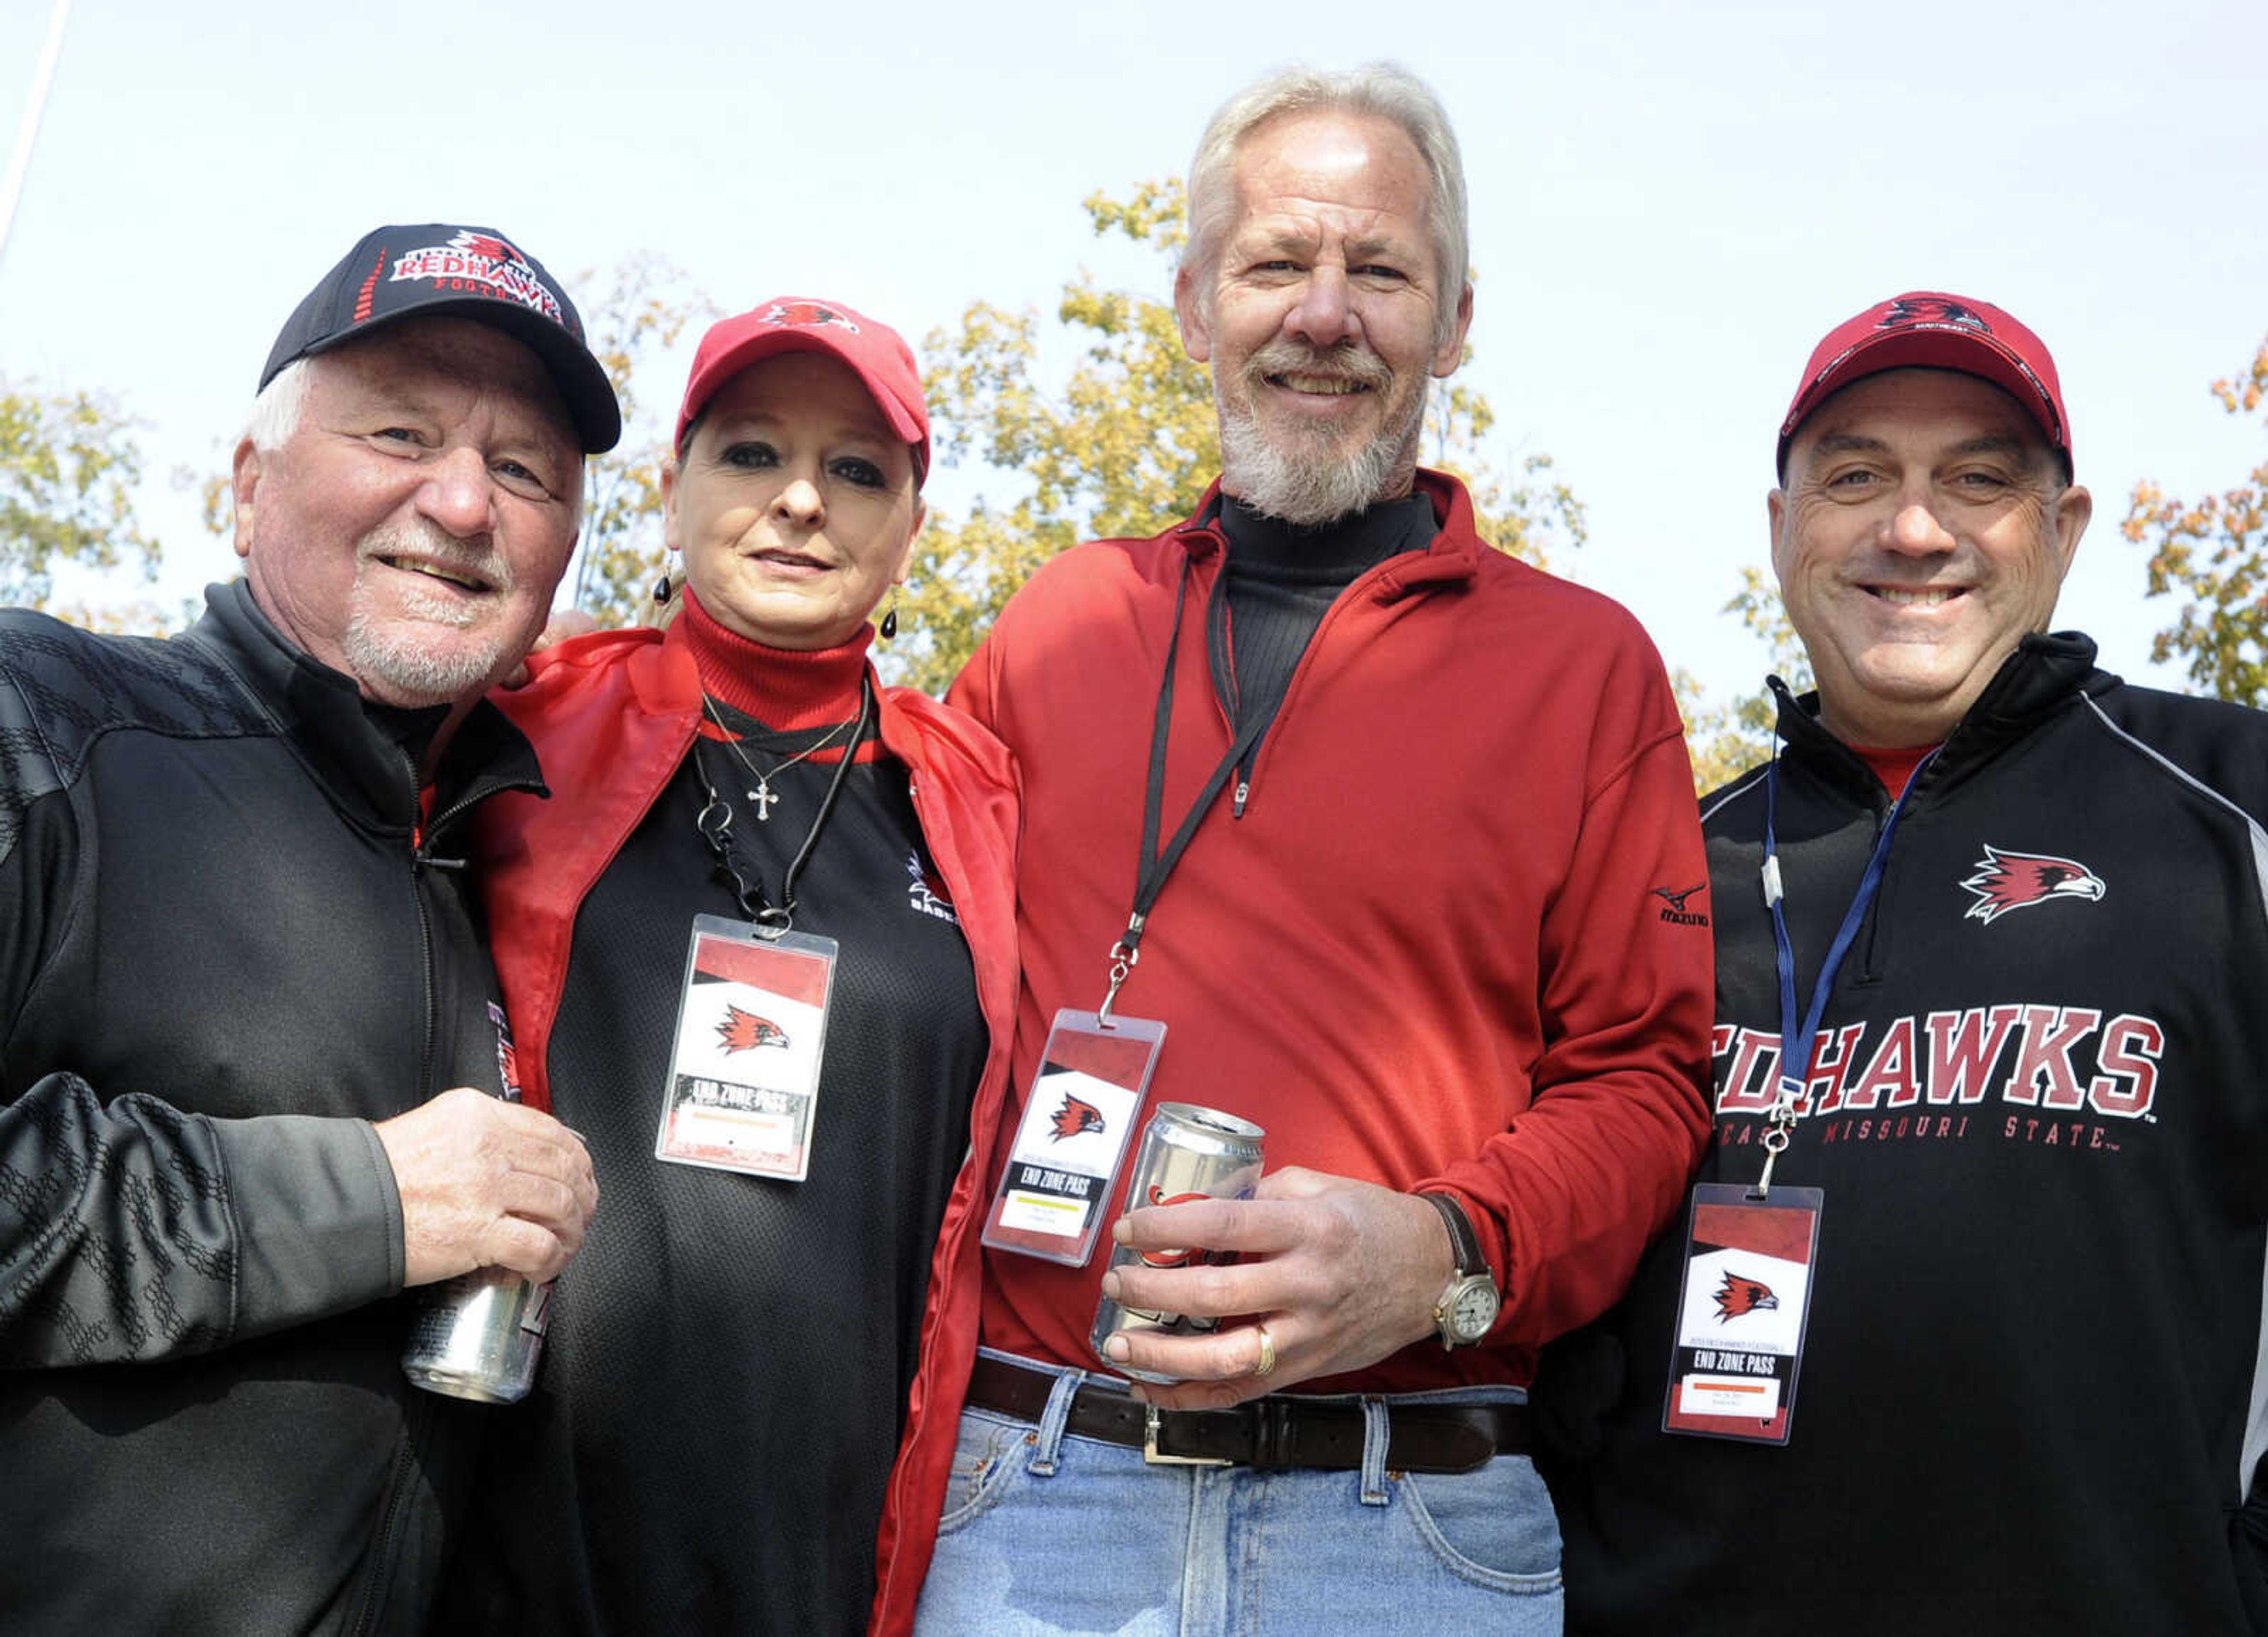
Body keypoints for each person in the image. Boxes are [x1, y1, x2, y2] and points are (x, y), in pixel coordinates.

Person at [872, 64, 1713, 1637]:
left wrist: (1444, 1251)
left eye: (1380, 270)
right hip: (1036, 1503)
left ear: (1456, 320)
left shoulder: (1589, 669)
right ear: (1194, 304)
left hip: (1410, 1528)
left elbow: (1647, 1081)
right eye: (1276, 264)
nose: (1324, 315)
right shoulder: (1061, 623)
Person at [1540, 292, 2268, 1635]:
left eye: (1978, 479)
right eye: (1857, 474)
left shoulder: (2234, 811)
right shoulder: (1659, 869)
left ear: (2062, 532)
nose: (1914, 528)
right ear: (1781, 531)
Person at [0, 222, 614, 1635]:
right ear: (247, 484)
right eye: (400, 431)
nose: (464, 502)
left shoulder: (502, 863)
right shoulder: (46, 721)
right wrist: (369, 1205)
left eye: (525, 471)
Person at [432, 296, 1019, 1636]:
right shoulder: (507, 731)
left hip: (835, 1557)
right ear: (672, 486)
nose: (803, 501)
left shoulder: (979, 800)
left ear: (912, 528)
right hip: (521, 1547)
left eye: (858, 470)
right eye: (753, 453)